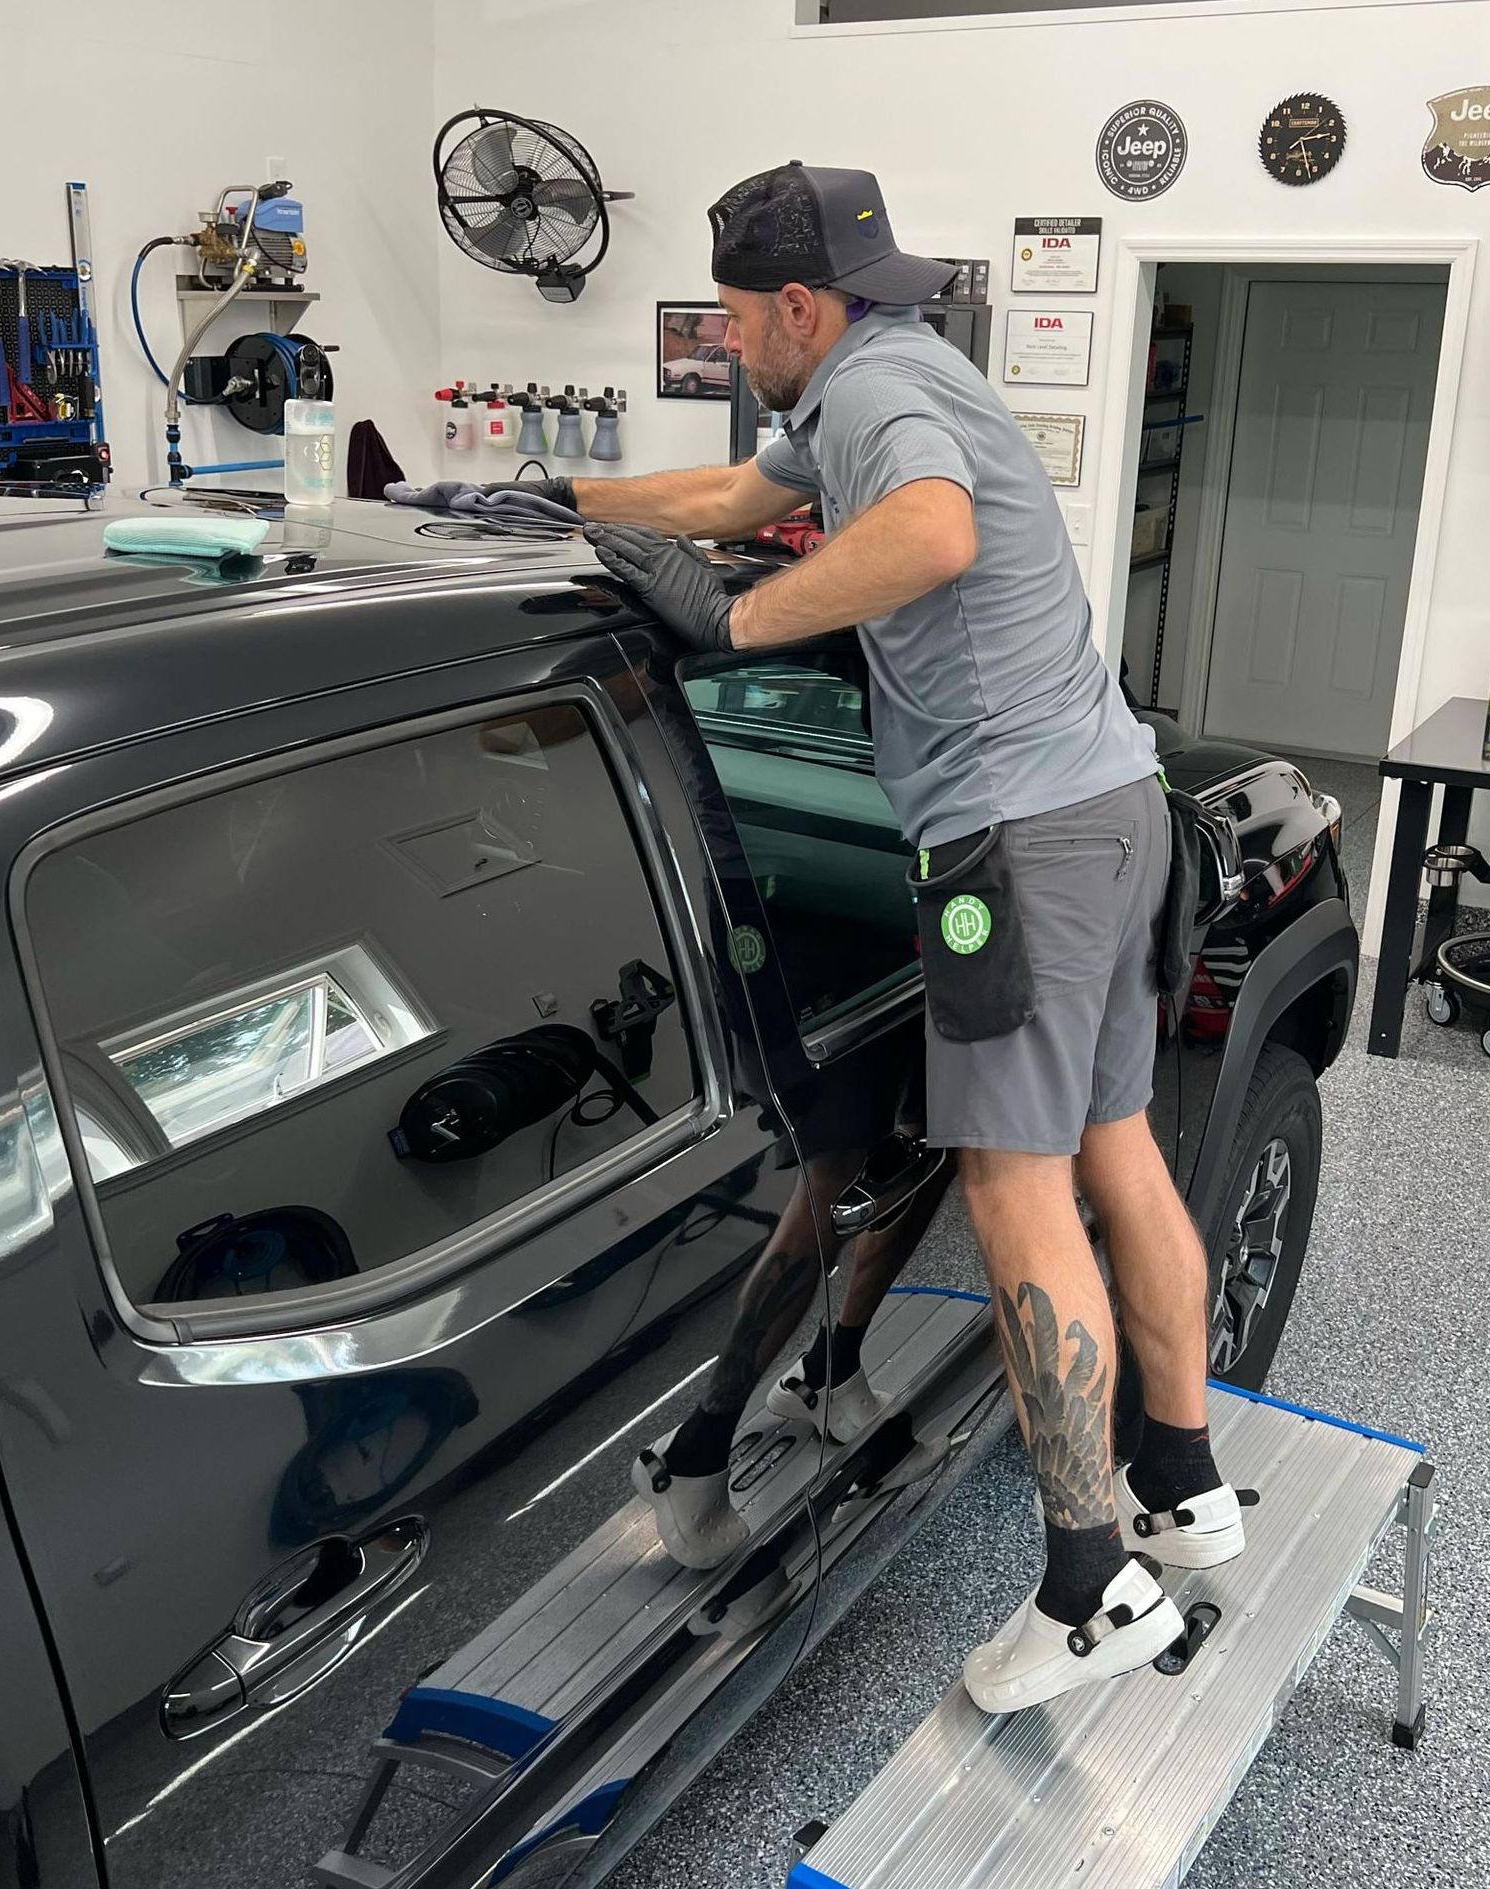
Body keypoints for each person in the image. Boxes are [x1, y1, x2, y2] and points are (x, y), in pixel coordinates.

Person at [532, 161, 1246, 1714]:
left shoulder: (871, 398)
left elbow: (924, 536)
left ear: (801, 305)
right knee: (1117, 1141)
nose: (726, 348)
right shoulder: (899, 367)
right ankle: (1182, 1486)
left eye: (731, 320)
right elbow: (733, 498)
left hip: (1014, 841)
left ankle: (1083, 1583)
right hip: (1112, 802)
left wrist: (731, 626)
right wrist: (562, 500)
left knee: (1010, 1179)